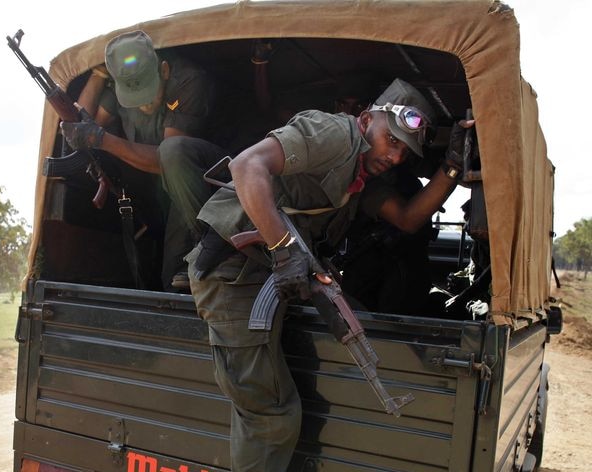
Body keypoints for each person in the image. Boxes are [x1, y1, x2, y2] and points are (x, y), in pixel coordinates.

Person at [186, 78, 472, 471]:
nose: (395, 157)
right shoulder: (335, 133)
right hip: (233, 275)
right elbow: (246, 165)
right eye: (392, 141)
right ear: (367, 119)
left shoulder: (361, 179)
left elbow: (407, 219)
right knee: (271, 418)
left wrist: (452, 168)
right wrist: (285, 250)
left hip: (267, 275)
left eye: (405, 152)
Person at [60, 30, 226, 291]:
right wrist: (99, 75)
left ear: (164, 70)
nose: (142, 105)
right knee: (168, 278)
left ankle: (209, 241)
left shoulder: (189, 80)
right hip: (157, 194)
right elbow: (81, 125)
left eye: (149, 94)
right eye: (132, 99)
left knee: (176, 280)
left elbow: (166, 160)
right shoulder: (120, 85)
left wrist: (102, 139)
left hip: (202, 187)